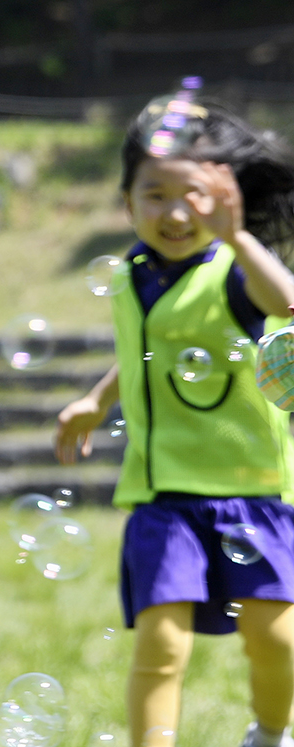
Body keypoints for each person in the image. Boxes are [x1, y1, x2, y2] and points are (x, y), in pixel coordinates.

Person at [55, 100, 294, 747]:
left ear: (223, 199)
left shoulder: (235, 271)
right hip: (163, 497)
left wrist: (240, 236)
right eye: (153, 194)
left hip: (253, 488)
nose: (175, 211)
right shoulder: (131, 276)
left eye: (193, 195)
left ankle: (272, 732)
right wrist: (98, 400)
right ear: (127, 202)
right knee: (161, 642)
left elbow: (286, 300)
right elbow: (147, 352)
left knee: (277, 637)